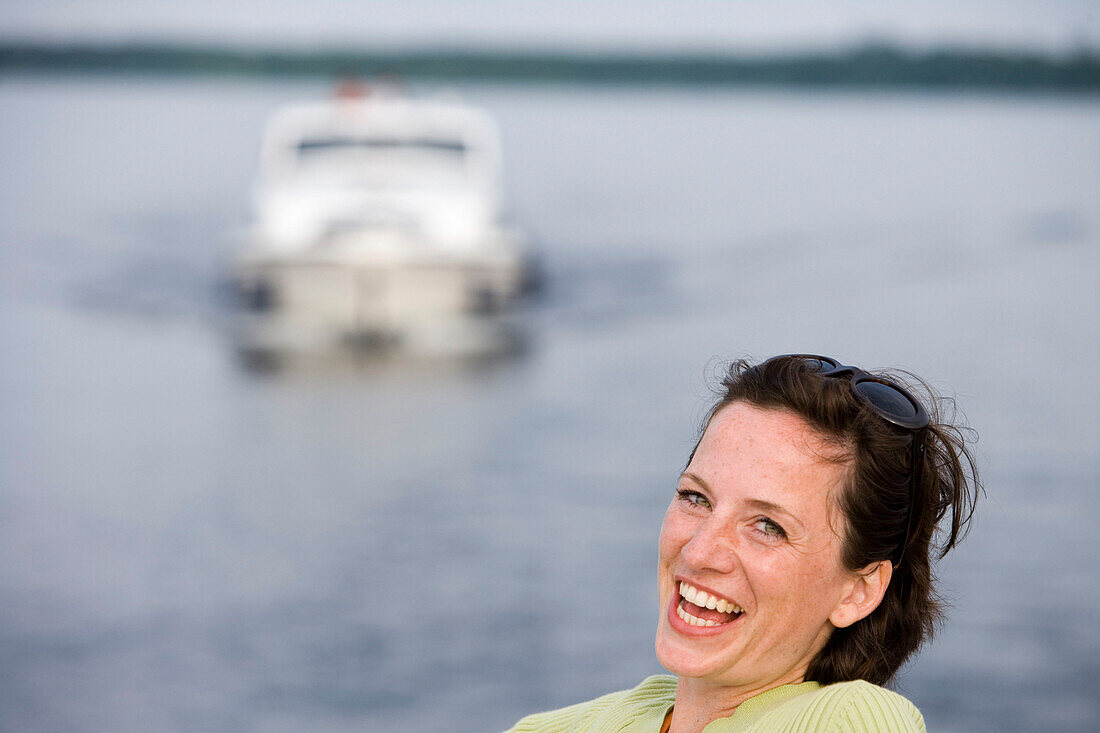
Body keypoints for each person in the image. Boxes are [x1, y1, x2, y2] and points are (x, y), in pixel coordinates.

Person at [507, 354, 980, 733]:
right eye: (696, 497)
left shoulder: (849, 719)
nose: (697, 552)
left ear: (858, 591)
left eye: (768, 526)